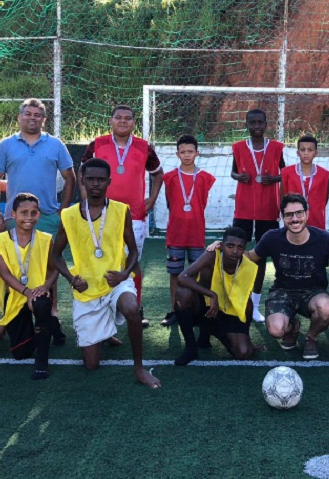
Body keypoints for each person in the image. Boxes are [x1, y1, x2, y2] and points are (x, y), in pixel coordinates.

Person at [50, 158, 160, 388]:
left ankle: (139, 368)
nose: (95, 184)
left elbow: (133, 251)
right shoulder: (69, 215)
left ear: (109, 181)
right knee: (91, 365)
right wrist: (71, 279)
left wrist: (124, 274)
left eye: (101, 180)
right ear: (82, 180)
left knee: (132, 308)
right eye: (90, 179)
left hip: (115, 282)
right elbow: (56, 255)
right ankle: (103, 331)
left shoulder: (121, 210)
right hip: (87, 288)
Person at [0, 98, 74, 344]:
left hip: (46, 216)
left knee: (49, 266)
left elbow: (71, 178)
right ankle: (15, 313)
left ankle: (51, 313)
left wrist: (62, 211)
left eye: (37, 115)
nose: (32, 118)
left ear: (44, 119)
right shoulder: (6, 145)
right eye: (28, 114)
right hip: (14, 218)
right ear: (19, 117)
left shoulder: (55, 145)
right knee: (14, 266)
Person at [244, 194, 329, 360]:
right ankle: (292, 326)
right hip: (283, 291)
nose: (295, 219)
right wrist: (223, 248)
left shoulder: (323, 238)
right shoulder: (272, 237)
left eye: (299, 213)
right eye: (289, 215)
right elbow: (250, 257)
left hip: (313, 292)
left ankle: (311, 337)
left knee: (326, 308)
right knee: (276, 330)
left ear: (307, 214)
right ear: (282, 217)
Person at [81, 105, 164, 327]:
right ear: (111, 120)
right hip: (101, 213)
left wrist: (152, 198)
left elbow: (158, 174)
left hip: (134, 215)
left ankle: (136, 308)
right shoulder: (97, 145)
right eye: (118, 117)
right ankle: (101, 310)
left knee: (132, 263)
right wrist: (86, 202)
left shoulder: (144, 147)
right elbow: (82, 174)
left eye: (128, 118)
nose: (123, 121)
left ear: (134, 123)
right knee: (100, 261)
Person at [0, 193, 57, 380]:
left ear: (39, 214)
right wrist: (26, 293)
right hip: (16, 295)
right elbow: (5, 274)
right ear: (13, 214)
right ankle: (49, 326)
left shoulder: (45, 239)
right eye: (24, 212)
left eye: (34, 213)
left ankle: (42, 362)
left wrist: (46, 287)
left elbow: (54, 269)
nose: (29, 217)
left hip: (39, 293)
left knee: (42, 305)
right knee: (21, 353)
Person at [173, 227, 258, 365]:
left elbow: (245, 305)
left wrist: (247, 338)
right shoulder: (212, 255)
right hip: (205, 307)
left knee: (244, 353)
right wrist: (212, 295)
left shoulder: (249, 267)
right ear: (222, 245)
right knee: (183, 294)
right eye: (230, 246)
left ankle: (209, 331)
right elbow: (182, 277)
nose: (235, 251)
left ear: (244, 249)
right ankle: (191, 348)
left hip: (227, 313)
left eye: (240, 247)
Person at [231, 108, 285, 323]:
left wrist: (274, 179)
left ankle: (254, 305)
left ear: (266, 124)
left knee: (260, 256)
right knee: (236, 253)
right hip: (243, 208)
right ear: (246, 124)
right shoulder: (238, 147)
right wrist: (239, 176)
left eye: (259, 122)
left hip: (267, 209)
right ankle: (236, 300)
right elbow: (233, 171)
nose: (256, 126)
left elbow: (285, 173)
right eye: (252, 123)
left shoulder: (276, 148)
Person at [160, 134, 216, 327]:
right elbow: (170, 203)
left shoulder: (205, 178)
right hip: (176, 234)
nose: (186, 155)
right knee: (175, 274)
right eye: (182, 152)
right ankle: (175, 310)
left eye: (190, 151)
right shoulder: (170, 177)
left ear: (197, 153)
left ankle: (196, 310)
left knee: (196, 275)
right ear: (177, 154)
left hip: (196, 235)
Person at [281, 135, 329, 231]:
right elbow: (282, 198)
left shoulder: (324, 174)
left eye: (310, 150)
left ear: (316, 153)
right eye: (303, 150)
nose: (306, 153)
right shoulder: (287, 173)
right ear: (298, 153)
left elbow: (325, 199)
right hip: (293, 222)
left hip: (316, 222)